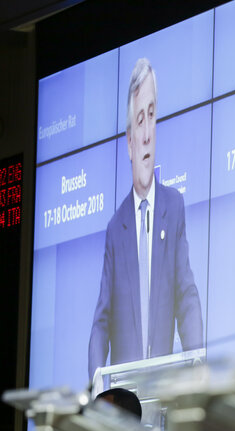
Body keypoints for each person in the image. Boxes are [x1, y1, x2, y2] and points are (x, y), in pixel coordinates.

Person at [89, 58, 203, 380]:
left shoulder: (174, 206)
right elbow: (101, 321)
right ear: (129, 141)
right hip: (126, 400)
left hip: (164, 392)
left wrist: (196, 360)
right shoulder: (115, 228)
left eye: (152, 116)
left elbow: (187, 294)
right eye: (140, 120)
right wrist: (97, 384)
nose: (147, 133)